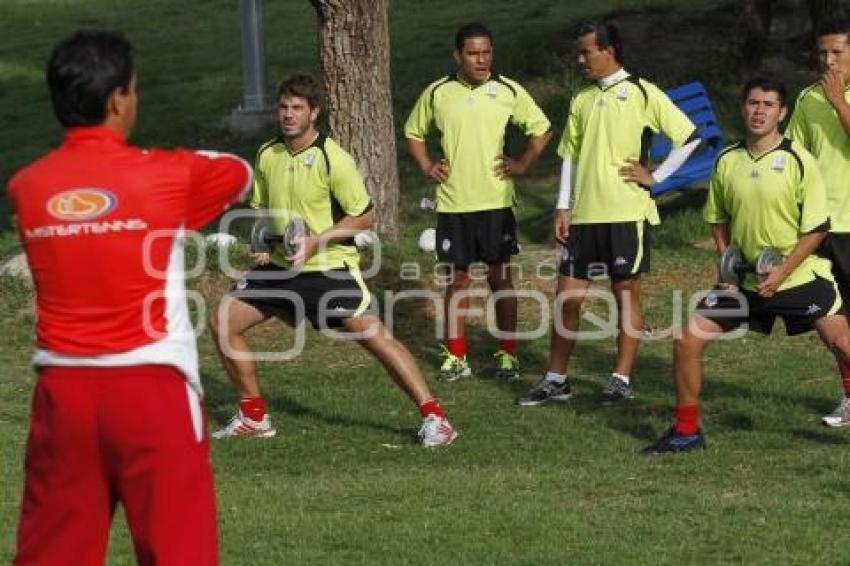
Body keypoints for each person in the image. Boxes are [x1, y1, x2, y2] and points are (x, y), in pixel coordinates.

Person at [7, 30, 252, 564]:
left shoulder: (27, 187)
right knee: (177, 551)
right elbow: (239, 174)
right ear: (118, 99)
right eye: (134, 90)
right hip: (151, 390)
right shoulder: (166, 174)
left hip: (62, 395)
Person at [210, 73, 457, 448]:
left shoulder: (332, 158)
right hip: (279, 268)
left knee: (373, 336)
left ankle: (435, 418)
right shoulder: (267, 153)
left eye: (297, 108)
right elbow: (261, 206)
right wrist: (261, 240)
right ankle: (254, 417)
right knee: (223, 322)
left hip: (328, 267)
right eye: (283, 107)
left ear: (314, 113)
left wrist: (315, 242)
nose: (288, 115)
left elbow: (365, 216)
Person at [643, 77, 850, 454]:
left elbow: (818, 229)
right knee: (687, 339)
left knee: (841, 342)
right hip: (745, 285)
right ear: (743, 108)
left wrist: (784, 271)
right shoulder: (727, 160)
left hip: (798, 275)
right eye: (753, 103)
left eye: (769, 105)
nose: (759, 111)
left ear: (782, 114)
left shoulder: (799, 161)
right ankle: (687, 433)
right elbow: (717, 219)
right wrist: (727, 273)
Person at [517, 21, 699, 407]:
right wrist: (563, 205)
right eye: (579, 52)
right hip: (583, 217)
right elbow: (570, 155)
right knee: (567, 297)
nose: (580, 59)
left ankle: (620, 378)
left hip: (626, 214)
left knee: (625, 292)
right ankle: (556, 379)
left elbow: (690, 137)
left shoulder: (642, 92)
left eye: (586, 52)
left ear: (609, 50)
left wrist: (656, 177)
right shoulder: (581, 98)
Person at [404, 22, 552, 382]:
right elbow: (413, 132)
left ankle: (508, 355)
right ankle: (456, 357)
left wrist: (521, 164)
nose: (481, 59)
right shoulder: (439, 92)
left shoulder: (507, 90)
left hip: (496, 202)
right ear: (458, 56)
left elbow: (542, 130)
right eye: (473, 53)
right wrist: (426, 165)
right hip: (454, 204)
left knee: (500, 279)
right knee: (458, 282)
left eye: (486, 52)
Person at [786, 19, 850, 427]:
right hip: (821, 228)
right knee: (832, 321)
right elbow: (795, 160)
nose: (828, 61)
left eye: (838, 53)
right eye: (823, 53)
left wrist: (840, 104)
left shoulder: (830, 97)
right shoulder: (808, 99)